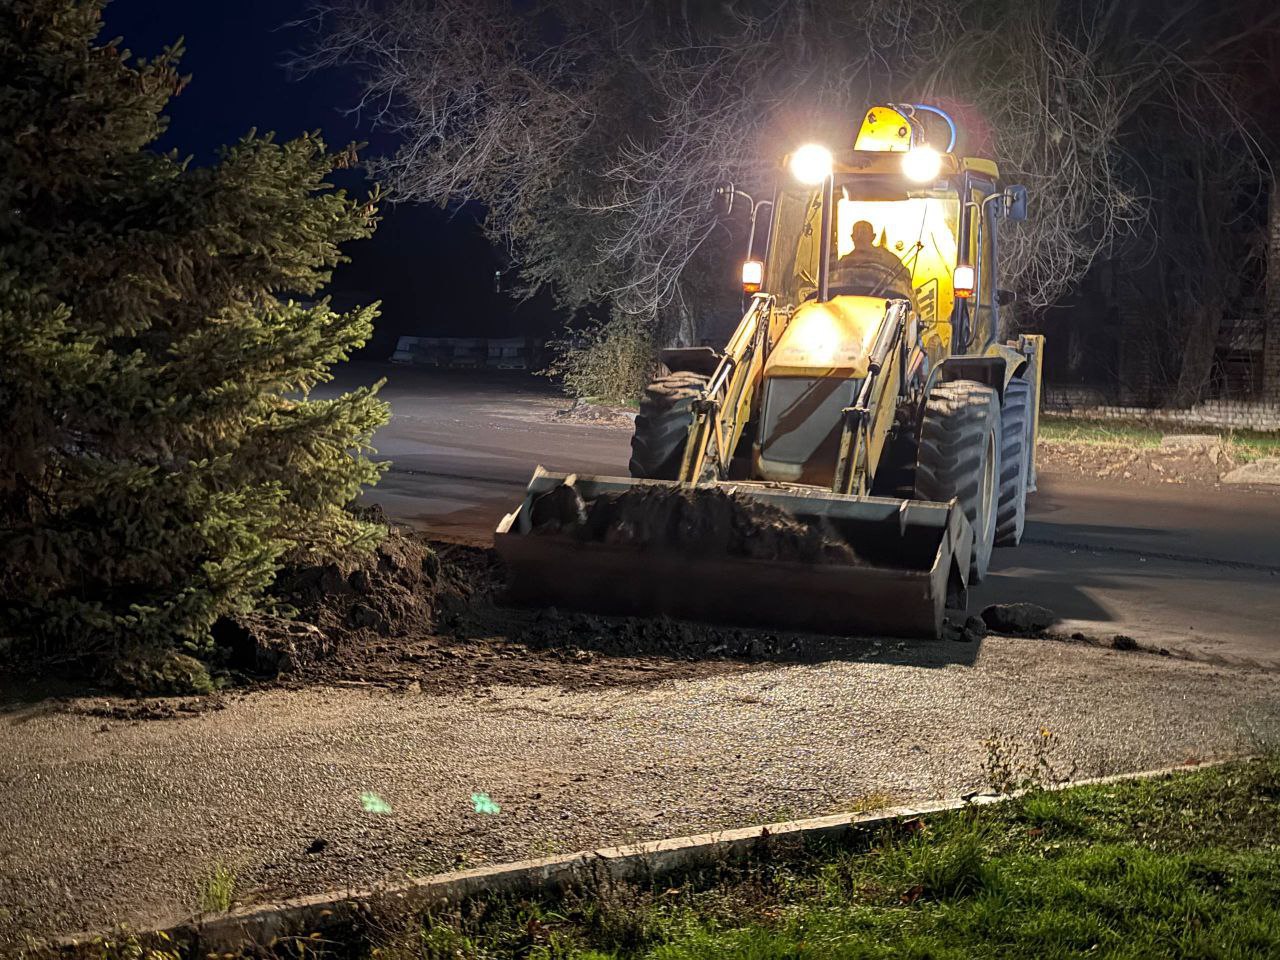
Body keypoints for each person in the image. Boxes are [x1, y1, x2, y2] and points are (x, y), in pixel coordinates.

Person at [830, 220, 910, 294]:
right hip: (849, 302)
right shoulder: (844, 261)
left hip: (883, 301)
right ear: (852, 237)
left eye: (864, 232)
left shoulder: (888, 258)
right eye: (857, 233)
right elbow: (834, 283)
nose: (860, 236)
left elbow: (905, 282)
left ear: (873, 237)